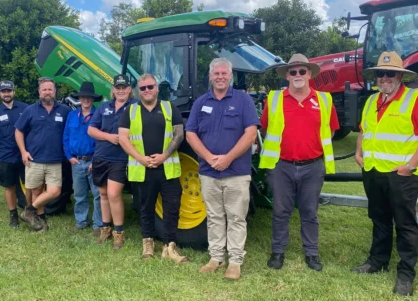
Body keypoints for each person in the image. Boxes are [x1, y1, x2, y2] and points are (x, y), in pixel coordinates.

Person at [353, 51, 418, 296]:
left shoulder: (416, 99)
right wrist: (358, 153)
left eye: (390, 73)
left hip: (401, 176)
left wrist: (410, 166)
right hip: (373, 171)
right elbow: (363, 130)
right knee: (379, 219)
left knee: (405, 224)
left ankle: (405, 274)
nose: (385, 78)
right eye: (381, 73)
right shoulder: (371, 100)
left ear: (400, 76)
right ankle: (377, 261)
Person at [259, 53, 339, 272]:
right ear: (287, 75)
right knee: (280, 211)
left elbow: (330, 130)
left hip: (312, 166)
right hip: (281, 165)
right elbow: (265, 128)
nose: (297, 75)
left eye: (302, 71)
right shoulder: (274, 99)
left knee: (309, 212)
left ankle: (312, 254)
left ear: (309, 74)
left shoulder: (324, 100)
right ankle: (277, 252)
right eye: (292, 71)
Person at [186, 58, 258, 281]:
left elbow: (251, 133)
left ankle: (235, 261)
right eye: (216, 73)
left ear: (230, 76)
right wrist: (208, 157)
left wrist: (228, 158)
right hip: (209, 172)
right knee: (214, 216)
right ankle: (216, 257)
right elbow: (191, 133)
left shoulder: (243, 100)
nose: (220, 77)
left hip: (236, 172)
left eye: (224, 73)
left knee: (236, 217)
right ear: (210, 76)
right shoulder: (200, 103)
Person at [118, 74, 188, 263]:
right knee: (145, 208)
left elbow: (179, 133)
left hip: (167, 168)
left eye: (150, 87)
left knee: (172, 208)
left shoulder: (169, 107)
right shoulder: (130, 111)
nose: (147, 90)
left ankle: (170, 247)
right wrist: (141, 158)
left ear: (157, 88)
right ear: (138, 91)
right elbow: (123, 138)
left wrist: (164, 156)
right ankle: (147, 244)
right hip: (142, 169)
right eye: (143, 88)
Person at [88, 74, 137, 249]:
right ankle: (105, 228)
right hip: (101, 156)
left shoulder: (135, 106)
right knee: (103, 194)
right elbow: (91, 130)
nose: (121, 91)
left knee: (114, 194)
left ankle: (119, 232)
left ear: (130, 90)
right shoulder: (104, 107)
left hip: (121, 157)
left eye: (124, 88)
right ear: (113, 90)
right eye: (118, 88)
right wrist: (109, 137)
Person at [15, 77, 71, 232]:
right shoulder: (30, 110)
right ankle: (40, 222)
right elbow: (18, 130)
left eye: (50, 89)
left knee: (54, 191)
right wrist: (23, 152)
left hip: (55, 159)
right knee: (36, 191)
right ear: (39, 92)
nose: (47, 92)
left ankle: (29, 211)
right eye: (44, 89)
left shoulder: (64, 111)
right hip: (34, 159)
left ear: (55, 91)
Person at [0, 81, 29, 227]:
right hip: (5, 155)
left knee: (29, 185)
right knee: (9, 186)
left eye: (9, 91)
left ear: (13, 92)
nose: (6, 94)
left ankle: (29, 211)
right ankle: (13, 215)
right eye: (3, 91)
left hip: (25, 154)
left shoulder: (25, 109)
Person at [63, 82, 102, 232]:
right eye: (83, 97)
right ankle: (81, 222)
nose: (86, 100)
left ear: (93, 99)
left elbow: (101, 140)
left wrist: (96, 159)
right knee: (79, 194)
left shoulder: (98, 115)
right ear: (79, 98)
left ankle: (98, 224)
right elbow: (65, 137)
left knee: (98, 194)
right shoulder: (72, 115)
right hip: (76, 161)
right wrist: (69, 157)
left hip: (93, 160)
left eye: (89, 97)